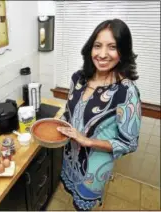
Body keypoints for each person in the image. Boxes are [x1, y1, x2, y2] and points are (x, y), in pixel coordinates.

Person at [57, 18, 141, 211]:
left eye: (112, 47)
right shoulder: (78, 78)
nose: (103, 54)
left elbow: (130, 143)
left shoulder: (126, 92)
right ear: (90, 48)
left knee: (83, 205)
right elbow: (71, 112)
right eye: (98, 46)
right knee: (69, 194)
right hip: (70, 156)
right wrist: (58, 124)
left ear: (123, 52)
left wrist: (88, 141)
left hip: (93, 169)